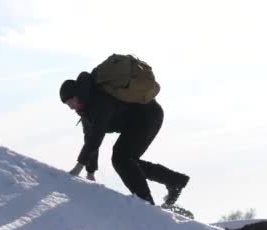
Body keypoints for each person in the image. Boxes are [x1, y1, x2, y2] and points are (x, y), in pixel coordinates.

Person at [60, 71, 189, 207]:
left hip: (148, 116)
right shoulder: (86, 109)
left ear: (77, 94)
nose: (71, 107)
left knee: (121, 159)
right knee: (125, 159)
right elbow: (90, 139)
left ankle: (145, 202)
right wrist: (90, 171)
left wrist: (78, 166)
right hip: (136, 122)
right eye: (68, 105)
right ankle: (174, 181)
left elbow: (96, 137)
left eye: (70, 102)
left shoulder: (98, 101)